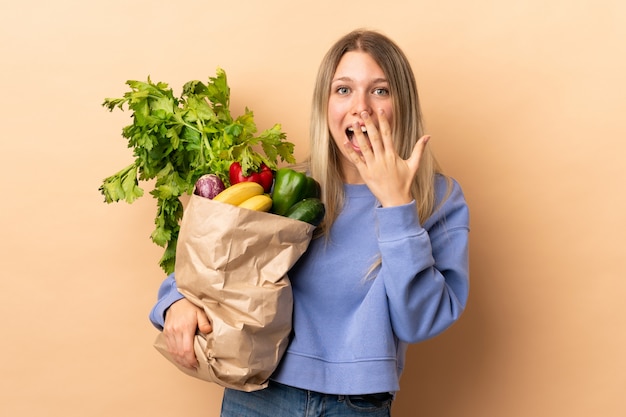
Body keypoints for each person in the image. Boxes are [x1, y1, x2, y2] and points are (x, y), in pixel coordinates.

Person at [149, 28, 470, 417]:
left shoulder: (438, 199)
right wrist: (175, 302)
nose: (361, 107)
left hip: (356, 406)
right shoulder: (290, 188)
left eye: (380, 90)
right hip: (259, 394)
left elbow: (420, 322)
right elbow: (215, 260)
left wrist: (397, 206)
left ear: (402, 103)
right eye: (344, 90)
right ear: (325, 104)